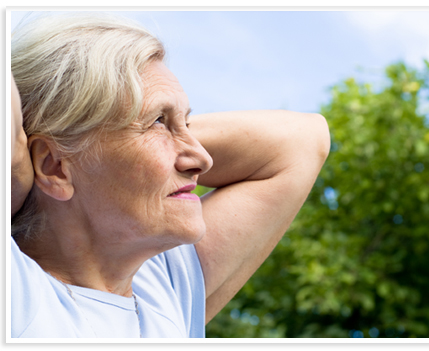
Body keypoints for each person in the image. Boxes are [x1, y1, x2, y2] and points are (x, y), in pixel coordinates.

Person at [10, 13, 329, 338]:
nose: (202, 159)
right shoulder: (17, 293)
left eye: (186, 124)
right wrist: (18, 169)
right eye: (158, 122)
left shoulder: (162, 289)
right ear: (54, 166)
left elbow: (302, 140)